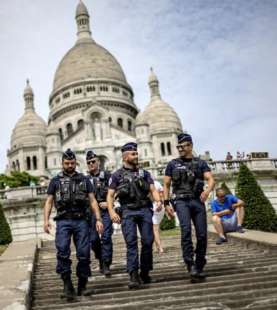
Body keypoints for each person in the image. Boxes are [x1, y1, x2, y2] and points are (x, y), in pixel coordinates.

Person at [43, 149, 103, 301]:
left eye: (72, 163)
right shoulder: (55, 181)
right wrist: (45, 220)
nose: (70, 165)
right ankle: (67, 284)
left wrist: (98, 219)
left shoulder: (84, 179)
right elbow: (49, 201)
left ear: (76, 163)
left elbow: (92, 200)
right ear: (62, 163)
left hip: (81, 220)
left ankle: (83, 284)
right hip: (63, 221)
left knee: (83, 253)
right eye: (66, 163)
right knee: (62, 251)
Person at [107, 142, 162, 289]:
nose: (136, 156)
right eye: (133, 154)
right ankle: (133, 275)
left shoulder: (144, 173)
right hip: (128, 212)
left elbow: (152, 189)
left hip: (144, 209)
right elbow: (110, 195)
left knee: (148, 241)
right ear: (125, 157)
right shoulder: (117, 175)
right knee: (131, 243)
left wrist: (158, 201)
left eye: (136, 153)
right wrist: (112, 212)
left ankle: (145, 272)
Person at [163, 133, 215, 283]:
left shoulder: (200, 163)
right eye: (178, 146)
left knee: (202, 235)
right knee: (185, 231)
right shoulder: (172, 164)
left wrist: (207, 190)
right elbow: (166, 185)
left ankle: (199, 263)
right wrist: (166, 204)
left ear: (190, 146)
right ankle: (190, 264)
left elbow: (211, 179)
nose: (180, 149)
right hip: (181, 201)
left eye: (183, 146)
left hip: (197, 201)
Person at [86, 150, 113, 277]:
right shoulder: (84, 180)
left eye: (93, 162)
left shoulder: (107, 176)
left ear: (98, 162)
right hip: (91, 214)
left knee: (106, 237)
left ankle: (106, 264)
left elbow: (116, 191)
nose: (91, 164)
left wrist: (109, 203)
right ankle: (100, 257)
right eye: (89, 162)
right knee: (93, 240)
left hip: (105, 211)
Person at [152, 180, 165, 254]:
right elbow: (162, 195)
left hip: (154, 206)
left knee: (155, 229)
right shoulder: (157, 183)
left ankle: (160, 248)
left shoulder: (147, 184)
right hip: (160, 205)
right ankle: (157, 247)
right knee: (156, 228)